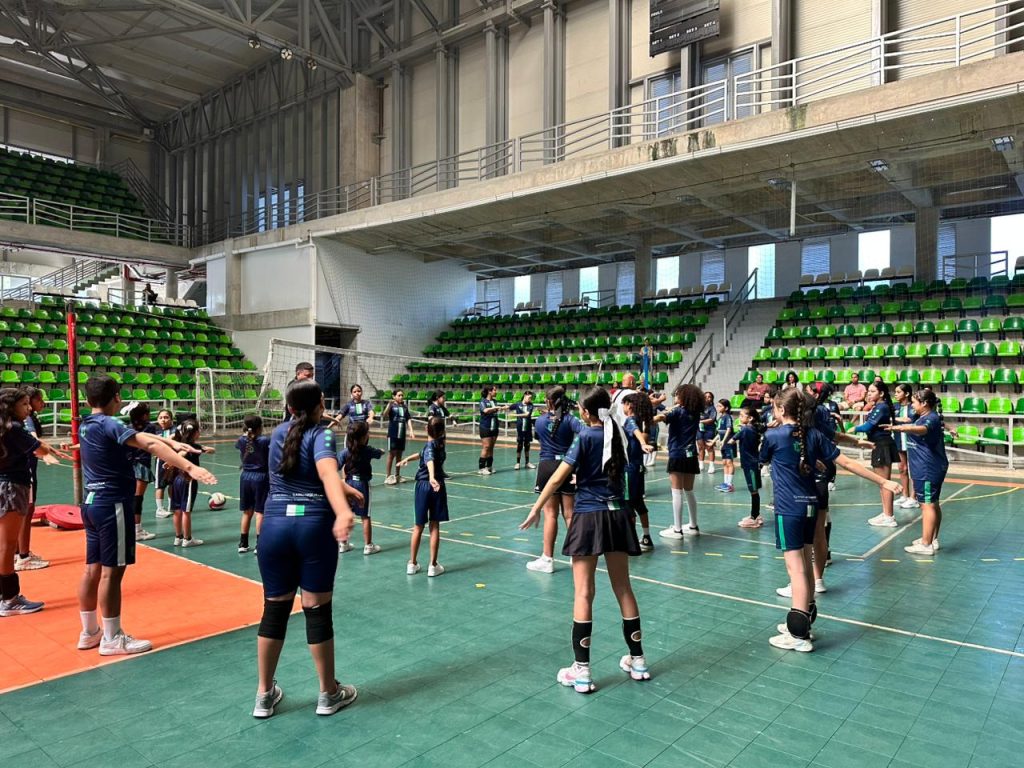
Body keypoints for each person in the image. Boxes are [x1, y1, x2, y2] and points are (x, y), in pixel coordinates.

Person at [520, 386, 649, 694]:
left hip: (589, 516)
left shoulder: (585, 437)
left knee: (583, 593)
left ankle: (582, 672)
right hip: (618, 514)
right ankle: (638, 661)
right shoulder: (619, 434)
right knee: (623, 588)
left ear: (587, 412)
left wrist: (536, 508)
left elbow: (557, 478)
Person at [76, 374, 215, 652]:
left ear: (88, 399)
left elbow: (141, 437)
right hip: (112, 503)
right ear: (117, 397)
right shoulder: (109, 423)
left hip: (91, 502)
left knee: (92, 569)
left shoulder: (87, 424)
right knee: (111, 573)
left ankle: (89, 632)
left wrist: (173, 443)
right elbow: (149, 445)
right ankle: (112, 638)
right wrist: (190, 467)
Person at [761, 389, 900, 652]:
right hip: (810, 506)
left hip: (788, 509)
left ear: (780, 410)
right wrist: (883, 482)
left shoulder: (773, 436)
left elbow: (765, 457)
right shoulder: (813, 435)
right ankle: (804, 621)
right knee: (806, 565)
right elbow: (847, 463)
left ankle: (798, 635)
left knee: (796, 570)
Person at [253, 378, 358, 718]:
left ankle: (264, 695)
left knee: (274, 610)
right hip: (312, 527)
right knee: (317, 611)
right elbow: (325, 472)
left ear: (289, 407)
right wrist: (342, 510)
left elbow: (301, 472)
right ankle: (328, 694)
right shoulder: (323, 433)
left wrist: (342, 487)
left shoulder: (277, 434)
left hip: (274, 527)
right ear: (321, 404)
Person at [0, 388, 67, 616]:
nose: (28, 408)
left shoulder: (5, 427)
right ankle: (9, 599)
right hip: (11, 486)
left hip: (6, 484)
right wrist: (48, 450)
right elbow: (40, 448)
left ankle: (6, 595)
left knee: (5, 544)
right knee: (7, 545)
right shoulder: (14, 428)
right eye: (24, 404)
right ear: (11, 407)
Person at [526, 386, 582, 574]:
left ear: (548, 401)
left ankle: (547, 558)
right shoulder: (570, 419)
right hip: (566, 465)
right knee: (570, 513)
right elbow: (584, 432)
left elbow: (539, 438)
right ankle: (576, 555)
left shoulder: (540, 420)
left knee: (550, 514)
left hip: (547, 466)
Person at [886, 388, 948, 555]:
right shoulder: (922, 416)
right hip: (928, 467)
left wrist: (902, 429)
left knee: (927, 505)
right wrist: (895, 424)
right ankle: (931, 539)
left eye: (914, 402)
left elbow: (922, 429)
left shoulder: (931, 418)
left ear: (925, 403)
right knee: (933, 503)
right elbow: (909, 421)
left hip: (927, 468)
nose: (912, 406)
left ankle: (926, 545)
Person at [398, 417, 448, 577]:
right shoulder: (440, 444)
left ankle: (412, 563)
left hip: (424, 486)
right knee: (434, 525)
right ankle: (433, 566)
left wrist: (431, 477)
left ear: (427, 429)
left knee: (418, 526)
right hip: (437, 486)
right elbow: (424, 455)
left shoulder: (430, 446)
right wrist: (408, 458)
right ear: (442, 431)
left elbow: (429, 459)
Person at [654, 384, 703, 538]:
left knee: (676, 492)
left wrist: (652, 415)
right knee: (689, 491)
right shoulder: (695, 412)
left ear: (683, 397)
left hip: (677, 454)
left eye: (677, 394)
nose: (675, 396)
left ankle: (677, 530)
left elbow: (660, 417)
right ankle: (693, 526)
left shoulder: (677, 412)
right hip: (691, 455)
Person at [855, 382, 900, 528]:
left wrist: (852, 429)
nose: (869, 393)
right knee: (882, 483)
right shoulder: (878, 406)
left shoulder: (881, 407)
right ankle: (886, 513)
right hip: (879, 444)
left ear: (881, 393)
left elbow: (867, 426)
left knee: (884, 482)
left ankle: (889, 517)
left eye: (873, 391)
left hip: (882, 445)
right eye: (868, 391)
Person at [337, 421, 384, 555]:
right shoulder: (368, 450)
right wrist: (381, 451)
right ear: (363, 437)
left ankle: (343, 543)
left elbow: (336, 466)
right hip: (362, 484)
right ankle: (368, 546)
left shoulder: (345, 452)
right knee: (365, 516)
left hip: (348, 485)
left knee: (346, 513)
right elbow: (379, 453)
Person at [14, 386, 48, 572]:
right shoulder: (26, 420)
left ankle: (18, 553)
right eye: (38, 400)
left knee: (22, 511)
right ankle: (23, 557)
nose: (42, 403)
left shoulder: (25, 419)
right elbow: (35, 442)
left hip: (26, 469)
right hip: (25, 471)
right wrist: (48, 453)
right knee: (27, 511)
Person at [168, 418, 215, 547]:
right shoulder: (193, 447)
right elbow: (211, 450)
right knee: (186, 511)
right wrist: (203, 450)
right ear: (195, 433)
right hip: (188, 480)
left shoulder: (179, 444)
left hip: (176, 480)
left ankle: (178, 537)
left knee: (177, 510)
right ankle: (187, 539)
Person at [621, 392, 656, 551]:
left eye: (624, 404)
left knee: (628, 505)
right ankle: (646, 537)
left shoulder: (630, 420)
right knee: (639, 503)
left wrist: (642, 443)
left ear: (629, 405)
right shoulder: (642, 421)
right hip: (638, 468)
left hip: (629, 470)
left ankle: (631, 541)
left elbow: (635, 431)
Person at [236, 414, 271, 554]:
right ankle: (259, 545)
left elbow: (242, 446)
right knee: (260, 512)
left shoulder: (241, 440)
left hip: (245, 477)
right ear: (260, 427)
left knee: (247, 511)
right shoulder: (264, 440)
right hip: (261, 477)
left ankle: (243, 543)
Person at [126, 402, 158, 542]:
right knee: (137, 499)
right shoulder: (149, 427)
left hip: (128, 464)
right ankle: (137, 530)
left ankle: (130, 528)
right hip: (141, 465)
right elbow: (155, 444)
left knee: (130, 497)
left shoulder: (128, 427)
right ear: (144, 415)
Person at [735, 405, 765, 528]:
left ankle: (754, 518)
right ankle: (756, 515)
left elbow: (732, 439)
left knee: (753, 491)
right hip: (750, 463)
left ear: (750, 418)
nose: (739, 417)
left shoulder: (747, 429)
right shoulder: (750, 429)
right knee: (753, 491)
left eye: (742, 415)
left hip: (751, 464)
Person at [893, 384, 919, 510]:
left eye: (898, 392)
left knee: (914, 469)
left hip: (913, 441)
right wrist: (898, 419)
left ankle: (913, 498)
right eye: (895, 392)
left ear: (907, 394)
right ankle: (905, 496)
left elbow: (917, 420)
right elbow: (889, 419)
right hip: (899, 440)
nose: (895, 394)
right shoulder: (894, 407)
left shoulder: (914, 406)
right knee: (902, 468)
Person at [382, 390, 414, 485]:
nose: (401, 397)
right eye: (399, 395)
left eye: (402, 395)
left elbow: (408, 419)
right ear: (394, 396)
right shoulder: (391, 406)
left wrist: (411, 430)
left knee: (399, 454)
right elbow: (384, 415)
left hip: (402, 433)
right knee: (392, 454)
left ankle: (397, 475)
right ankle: (388, 476)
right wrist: (389, 405)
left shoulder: (404, 407)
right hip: (393, 433)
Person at [477, 385, 507, 475]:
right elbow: (485, 410)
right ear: (489, 391)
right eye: (494, 390)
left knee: (491, 447)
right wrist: (496, 408)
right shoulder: (483, 401)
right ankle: (481, 468)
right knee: (486, 447)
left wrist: (502, 408)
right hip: (485, 427)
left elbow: (496, 410)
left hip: (494, 427)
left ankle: (489, 466)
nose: (496, 392)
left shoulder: (495, 401)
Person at [153, 408, 175, 519]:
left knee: (172, 484)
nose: (163, 420)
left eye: (166, 417)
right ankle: (160, 509)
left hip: (173, 460)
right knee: (160, 485)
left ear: (171, 419)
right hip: (161, 461)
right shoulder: (155, 432)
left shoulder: (175, 430)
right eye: (161, 417)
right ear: (157, 420)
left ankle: (172, 506)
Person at [511, 390, 537, 470]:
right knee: (519, 445)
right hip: (520, 428)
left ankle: (527, 463)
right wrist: (502, 408)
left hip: (528, 428)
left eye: (531, 398)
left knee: (527, 445)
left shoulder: (531, 405)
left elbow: (527, 414)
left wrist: (515, 415)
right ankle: (517, 463)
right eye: (529, 397)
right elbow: (509, 407)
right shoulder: (518, 404)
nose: (530, 399)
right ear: (525, 395)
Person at [714, 398, 736, 493]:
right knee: (724, 462)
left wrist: (723, 441)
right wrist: (714, 441)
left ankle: (730, 484)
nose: (718, 407)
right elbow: (720, 432)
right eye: (717, 406)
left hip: (729, 443)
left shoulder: (728, 417)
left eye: (720, 406)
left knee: (729, 462)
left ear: (726, 408)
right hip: (723, 443)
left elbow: (729, 430)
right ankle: (725, 483)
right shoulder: (720, 418)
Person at [698, 391, 716, 475]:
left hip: (709, 429)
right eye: (705, 397)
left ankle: (711, 466)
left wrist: (700, 421)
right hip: (699, 429)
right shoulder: (699, 407)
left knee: (709, 447)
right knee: (700, 447)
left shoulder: (712, 409)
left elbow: (712, 419)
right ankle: (701, 465)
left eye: (709, 397)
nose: (707, 398)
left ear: (712, 399)